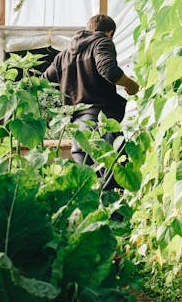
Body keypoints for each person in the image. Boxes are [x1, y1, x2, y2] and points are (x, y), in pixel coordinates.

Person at [42, 14, 139, 188]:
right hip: (100, 125)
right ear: (109, 33)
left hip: (78, 130)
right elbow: (109, 71)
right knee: (114, 183)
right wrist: (131, 84)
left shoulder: (63, 55)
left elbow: (43, 82)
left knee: (90, 188)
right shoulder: (102, 42)